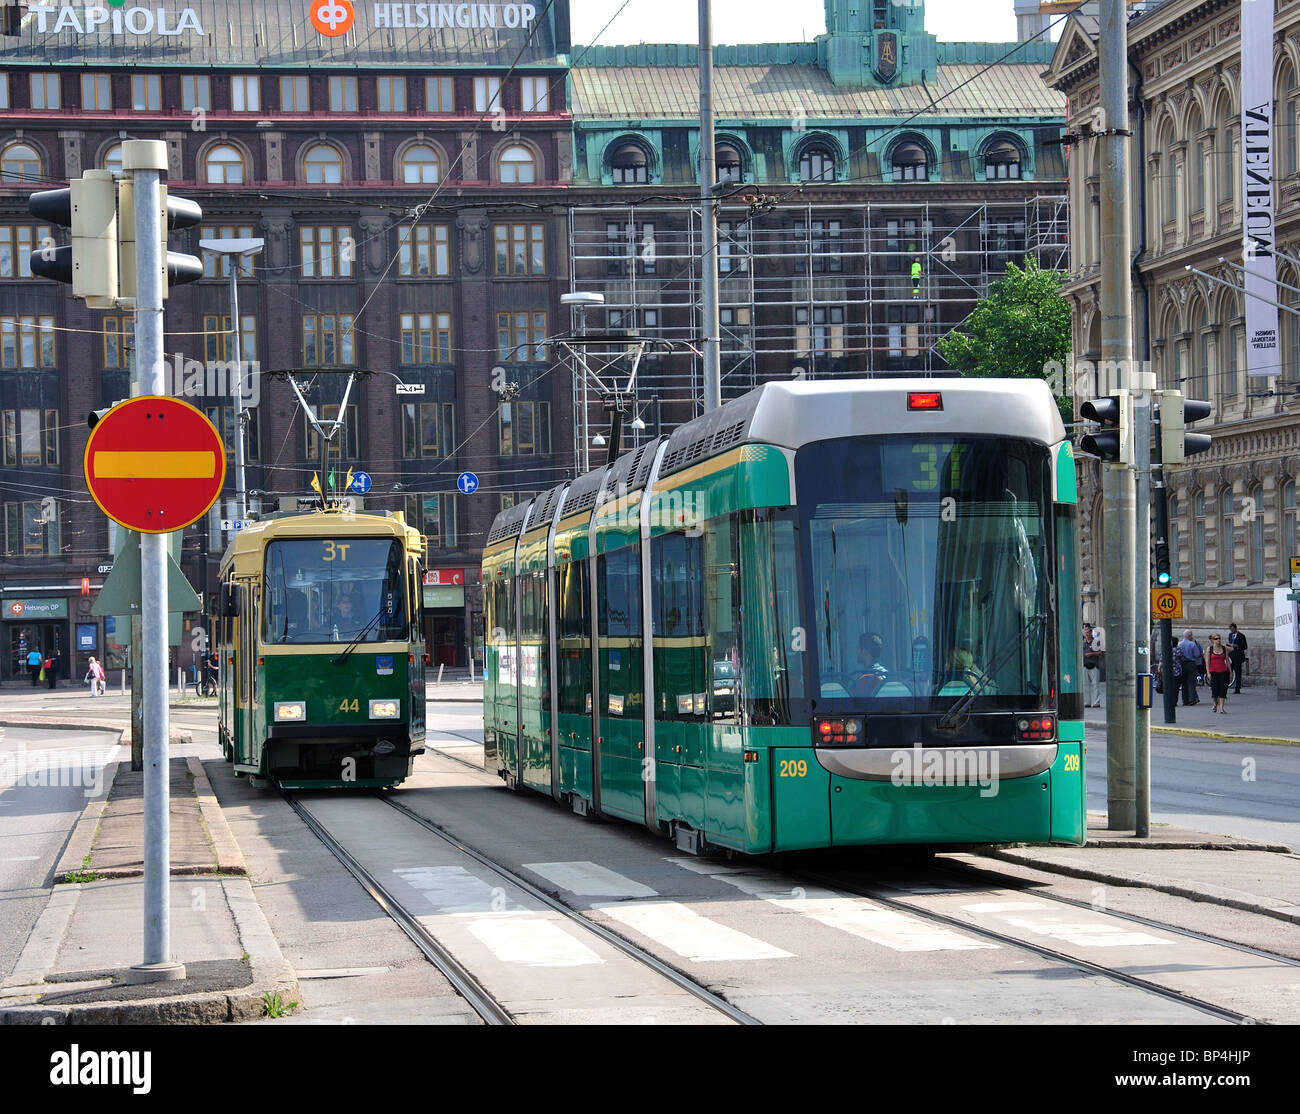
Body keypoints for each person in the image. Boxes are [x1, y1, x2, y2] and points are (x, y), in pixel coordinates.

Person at [852, 632, 888, 697]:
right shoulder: (886, 674)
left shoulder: (866, 679)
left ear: (864, 651)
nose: (856, 652)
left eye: (858, 649)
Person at [1176, 629, 1203, 706]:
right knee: (1191, 682)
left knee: (1184, 683)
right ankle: (1192, 699)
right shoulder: (1192, 644)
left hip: (1182, 664)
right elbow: (1197, 654)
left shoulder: (1179, 644)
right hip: (1191, 664)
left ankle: (1185, 700)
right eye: (1191, 635)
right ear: (1189, 636)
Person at [1206, 634, 1231, 712]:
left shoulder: (1224, 648)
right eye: (1216, 639)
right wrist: (1208, 672)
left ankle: (1221, 708)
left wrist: (1230, 672)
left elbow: (1227, 660)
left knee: (1223, 689)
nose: (1218, 640)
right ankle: (1215, 703)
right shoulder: (1209, 649)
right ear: (1213, 640)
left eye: (1219, 638)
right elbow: (1207, 661)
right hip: (1213, 672)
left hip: (1223, 671)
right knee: (1215, 690)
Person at [1082, 623, 1103, 707]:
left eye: (1088, 632)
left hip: (1094, 666)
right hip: (1085, 665)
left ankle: (1096, 702)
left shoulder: (1096, 642)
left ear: (1091, 633)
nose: (1086, 634)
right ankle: (1086, 702)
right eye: (1085, 632)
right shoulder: (1083, 643)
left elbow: (1101, 652)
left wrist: (1091, 654)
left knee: (1095, 685)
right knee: (1085, 685)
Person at [1227, 623, 1249, 694]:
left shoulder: (1241, 636)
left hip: (1238, 656)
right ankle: (1226, 685)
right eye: (1230, 630)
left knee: (1238, 672)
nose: (1231, 631)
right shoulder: (1230, 635)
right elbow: (1230, 643)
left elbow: (1245, 646)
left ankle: (1237, 688)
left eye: (1233, 629)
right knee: (1229, 670)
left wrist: (1237, 646)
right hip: (1231, 655)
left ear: (1235, 628)